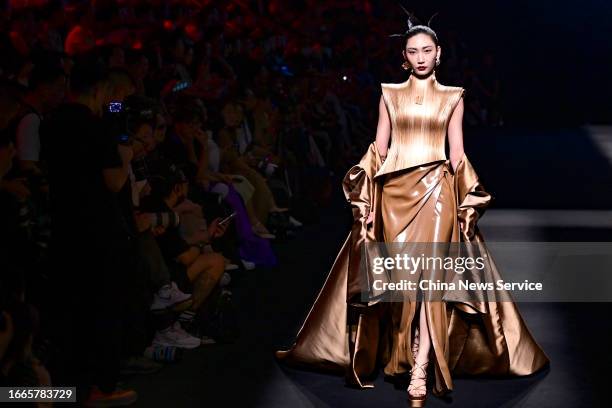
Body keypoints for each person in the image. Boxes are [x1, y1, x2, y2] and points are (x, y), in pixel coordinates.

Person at [275, 11, 549, 407]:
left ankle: (421, 365)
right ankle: (402, 353)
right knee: (402, 283)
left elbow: (456, 153)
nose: (420, 57)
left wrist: (467, 197)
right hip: (393, 195)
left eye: (426, 50)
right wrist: (366, 198)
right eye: (412, 51)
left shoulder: (453, 96)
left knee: (430, 281)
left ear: (439, 54)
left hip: (438, 191)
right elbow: (380, 149)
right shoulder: (389, 93)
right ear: (404, 58)